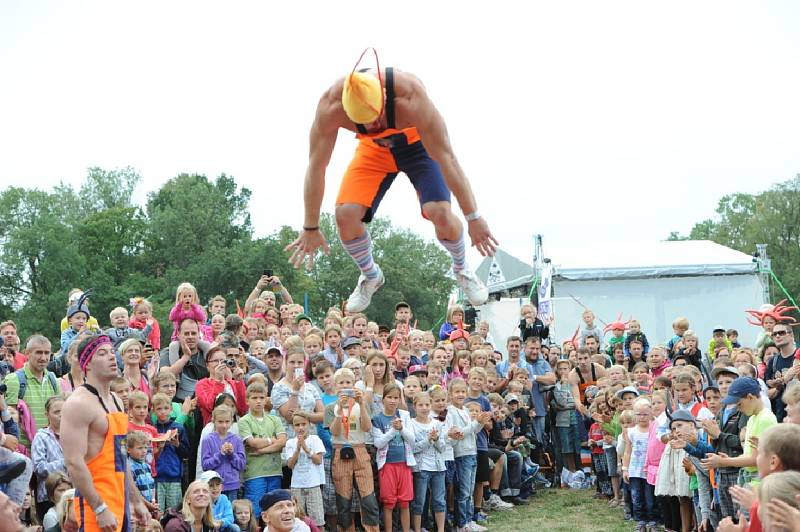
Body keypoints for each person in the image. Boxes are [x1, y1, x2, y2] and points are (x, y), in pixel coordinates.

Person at [284, 50, 497, 313]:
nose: (374, 126)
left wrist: (473, 217)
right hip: (374, 151)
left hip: (418, 146)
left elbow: (447, 159)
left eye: (377, 120)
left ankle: (462, 268)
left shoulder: (411, 96)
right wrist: (310, 226)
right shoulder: (331, 107)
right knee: (345, 215)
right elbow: (316, 167)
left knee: (439, 212)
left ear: (384, 99)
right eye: (363, 124)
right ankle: (370, 275)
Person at [61, 334, 150, 532]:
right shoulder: (78, 404)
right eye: (102, 353)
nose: (111, 357)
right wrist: (100, 508)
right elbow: (74, 464)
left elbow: (121, 456)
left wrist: (135, 500)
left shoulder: (117, 400)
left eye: (112, 352)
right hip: (96, 505)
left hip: (119, 500)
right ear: (87, 364)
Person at [4, 335, 62, 448]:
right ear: (27, 353)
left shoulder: (53, 380)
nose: (44, 358)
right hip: (24, 451)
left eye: (47, 353)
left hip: (49, 450)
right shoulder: (13, 380)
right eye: (39, 352)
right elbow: (8, 420)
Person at [239, 382, 287, 512]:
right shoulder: (244, 421)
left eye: (261, 397)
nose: (258, 401)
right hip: (255, 473)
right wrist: (272, 440)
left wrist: (261, 450)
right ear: (247, 400)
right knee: (255, 510)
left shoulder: (274, 419)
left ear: (266, 399)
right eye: (254, 398)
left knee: (274, 510)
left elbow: (282, 442)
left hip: (275, 471)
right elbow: (253, 443)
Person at [282, 412, 325, 529]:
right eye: (297, 425)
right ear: (293, 426)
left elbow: (318, 460)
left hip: (313, 484)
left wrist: (306, 449)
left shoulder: (315, 439)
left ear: (309, 424)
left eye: (303, 424)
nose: (300, 427)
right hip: (297, 485)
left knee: (317, 520)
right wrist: (297, 449)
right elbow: (290, 465)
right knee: (297, 519)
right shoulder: (290, 442)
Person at [162, 479, 233, 532]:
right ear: (188, 499)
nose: (201, 494)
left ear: (209, 499)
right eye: (196, 491)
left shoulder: (210, 526)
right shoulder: (176, 525)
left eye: (205, 491)